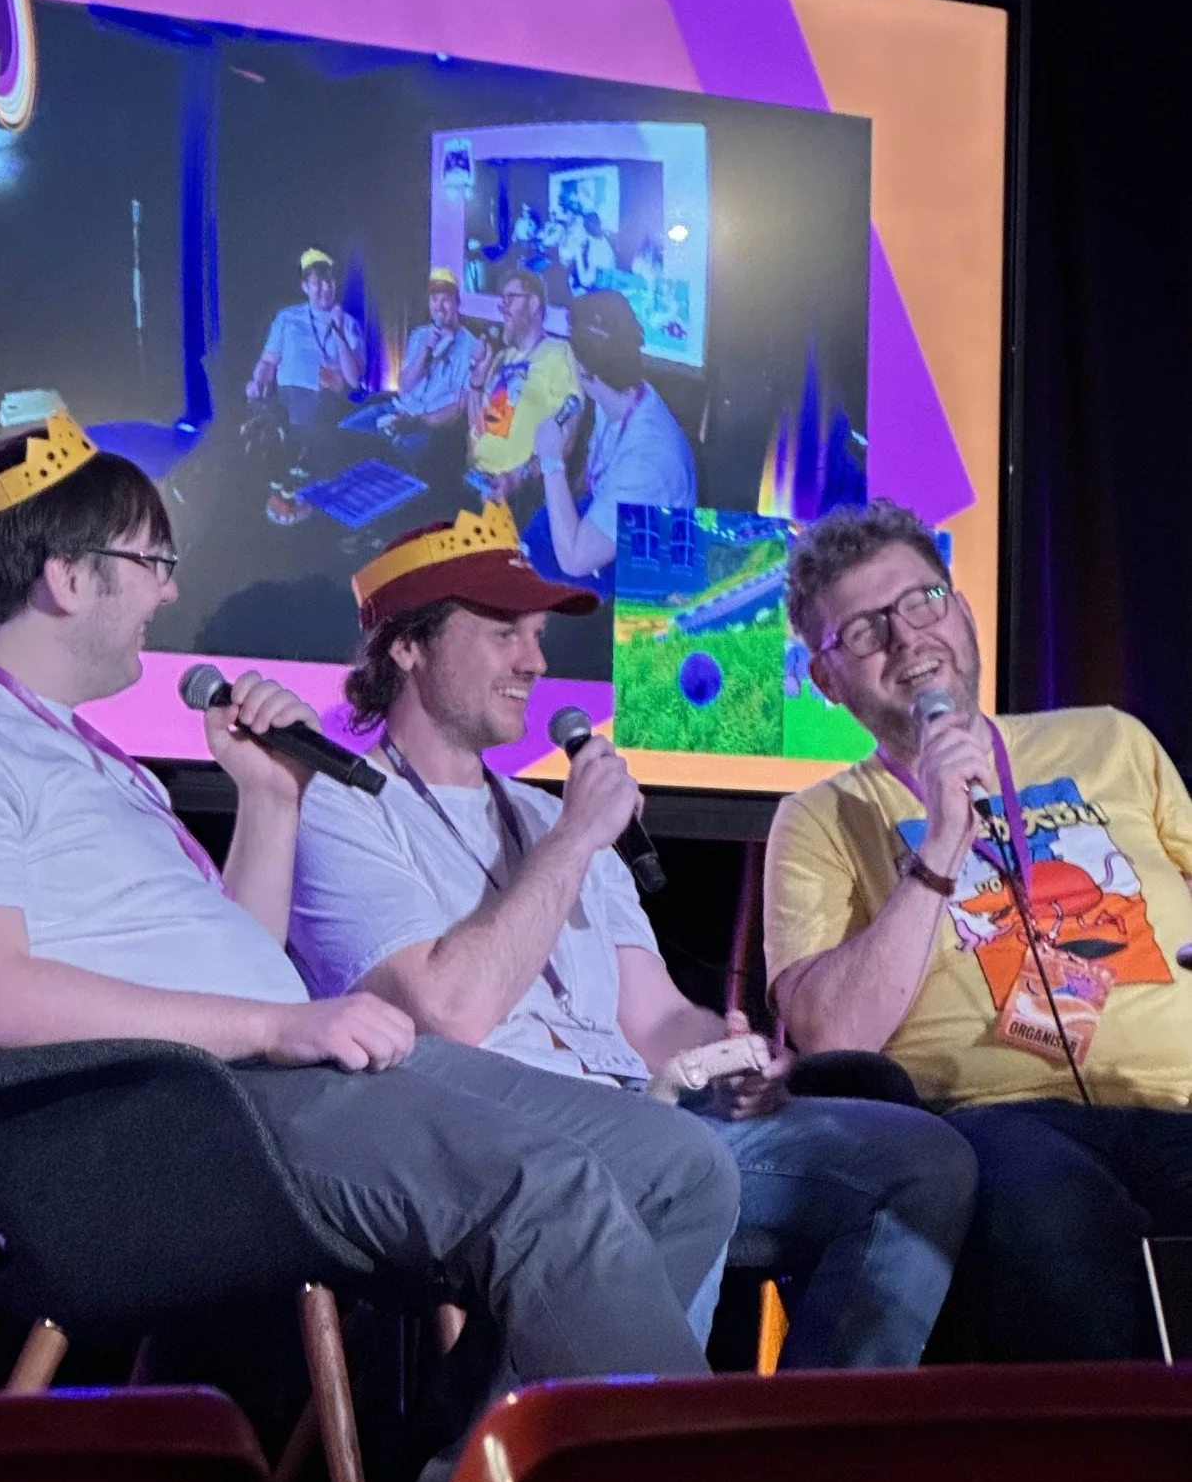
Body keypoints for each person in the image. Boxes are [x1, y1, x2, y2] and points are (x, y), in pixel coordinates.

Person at [0, 409, 739, 1482]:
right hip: (173, 1123)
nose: (168, 592)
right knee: (550, 1193)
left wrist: (271, 798)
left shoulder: (88, 753)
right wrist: (272, 1026)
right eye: (151, 563)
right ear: (66, 577)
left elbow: (241, 955)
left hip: (270, 1083)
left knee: (678, 1164)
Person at [287, 502, 978, 1368]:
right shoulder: (340, 807)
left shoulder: (544, 809)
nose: (534, 661)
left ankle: (805, 1465)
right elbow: (447, 1012)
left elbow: (648, 1018)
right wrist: (576, 841)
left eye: (537, 635)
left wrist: (727, 1051)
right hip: (483, 1136)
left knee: (917, 1163)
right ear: (407, 644)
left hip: (647, 1110)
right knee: (672, 1160)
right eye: (504, 633)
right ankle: (623, 1468)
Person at [765, 497, 1192, 1360]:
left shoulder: (1111, 739)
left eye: (923, 601)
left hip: (1180, 1096)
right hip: (994, 1122)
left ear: (961, 608)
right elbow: (830, 1036)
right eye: (864, 631)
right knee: (1049, 1215)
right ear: (828, 681)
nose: (908, 638)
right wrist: (943, 844)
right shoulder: (821, 817)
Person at [530, 289, 697, 583]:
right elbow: (592, 480)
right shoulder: (617, 396)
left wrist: (552, 462)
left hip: (647, 582)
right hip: (614, 535)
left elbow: (574, 561)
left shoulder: (649, 460)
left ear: (582, 369)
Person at [467, 268, 582, 491]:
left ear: (533, 304)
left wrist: (518, 479)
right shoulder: (502, 358)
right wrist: (476, 383)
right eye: (502, 299)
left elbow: (565, 434)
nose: (503, 307)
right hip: (476, 480)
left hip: (516, 492)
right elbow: (477, 428)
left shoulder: (557, 353)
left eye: (510, 298)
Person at [246, 248, 364, 428]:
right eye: (317, 282)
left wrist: (339, 332)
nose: (325, 288)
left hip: (327, 401)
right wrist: (258, 381)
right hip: (289, 398)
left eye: (329, 281)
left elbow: (354, 380)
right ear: (305, 287)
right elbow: (268, 362)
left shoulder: (349, 324)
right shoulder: (287, 318)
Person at [380, 268, 478, 436]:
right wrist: (426, 350)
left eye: (445, 300)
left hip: (427, 426)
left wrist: (419, 421)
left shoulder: (471, 346)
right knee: (348, 431)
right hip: (398, 410)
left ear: (457, 303)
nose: (439, 307)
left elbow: (458, 407)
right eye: (434, 299)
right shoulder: (420, 335)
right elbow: (404, 386)